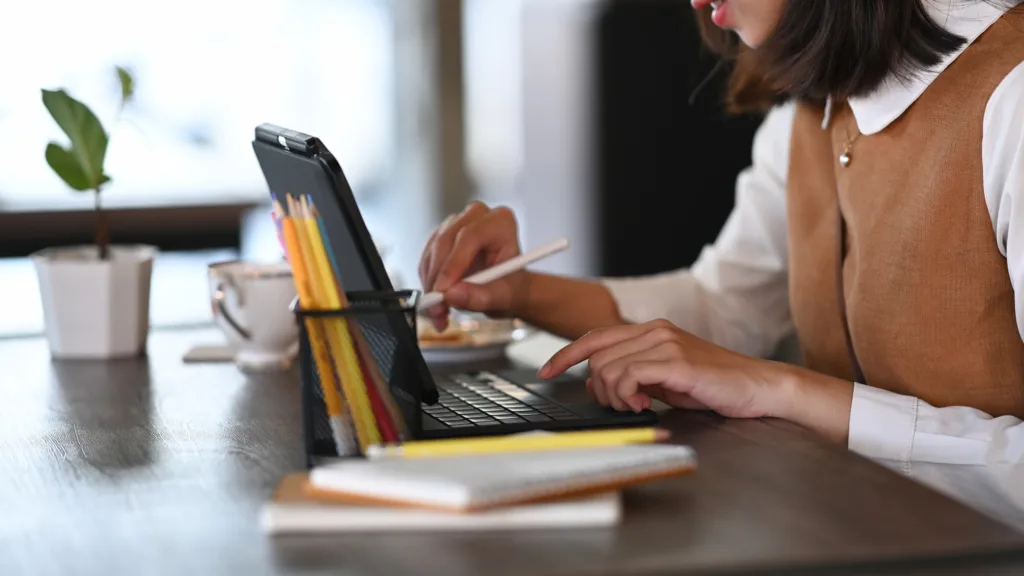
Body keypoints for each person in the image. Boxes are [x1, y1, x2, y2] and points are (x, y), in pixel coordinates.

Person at [418, 0, 1024, 529]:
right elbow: (724, 306)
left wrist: (780, 388)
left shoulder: (1012, 98)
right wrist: (518, 290)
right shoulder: (811, 112)